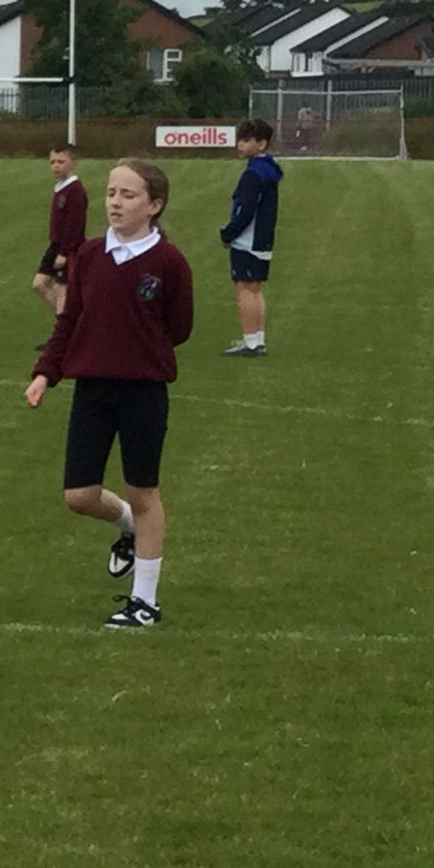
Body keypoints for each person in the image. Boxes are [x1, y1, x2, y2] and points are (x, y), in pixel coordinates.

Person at [25, 160, 193, 629]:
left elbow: (179, 327)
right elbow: (70, 320)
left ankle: (145, 602)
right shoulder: (91, 255)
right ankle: (126, 529)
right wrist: (45, 373)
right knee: (79, 495)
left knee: (144, 491)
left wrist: (138, 348)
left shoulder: (169, 263)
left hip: (143, 392)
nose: (116, 202)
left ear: (154, 205)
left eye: (129, 195)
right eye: (112, 193)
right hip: (92, 390)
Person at [219, 118, 283, 357]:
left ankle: (250, 342)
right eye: (240, 140)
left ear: (262, 144)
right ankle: (258, 339)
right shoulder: (268, 170)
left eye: (246, 140)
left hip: (248, 240)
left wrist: (229, 233)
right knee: (255, 289)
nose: (240, 145)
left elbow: (244, 210)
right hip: (263, 238)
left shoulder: (253, 175)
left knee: (244, 290)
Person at [31, 143, 88, 346]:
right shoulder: (61, 188)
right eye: (52, 162)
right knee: (39, 284)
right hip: (55, 245)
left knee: (62, 290)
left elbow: (75, 223)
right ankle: (74, 326)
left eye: (61, 162)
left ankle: (63, 337)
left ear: (74, 163)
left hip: (68, 248)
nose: (55, 166)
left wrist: (65, 252)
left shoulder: (75, 190)